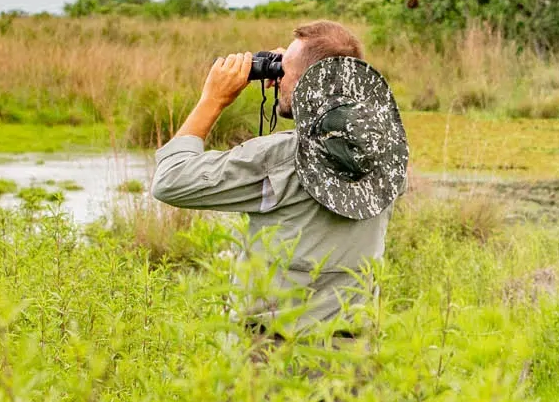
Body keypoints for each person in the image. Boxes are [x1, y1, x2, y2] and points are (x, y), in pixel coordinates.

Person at [150, 20, 408, 333]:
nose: (278, 77)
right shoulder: (387, 153)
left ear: (308, 82)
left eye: (283, 71)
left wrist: (213, 100)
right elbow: (334, 130)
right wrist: (297, 71)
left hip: (276, 356)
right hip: (352, 353)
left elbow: (170, 180)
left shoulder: (281, 159)